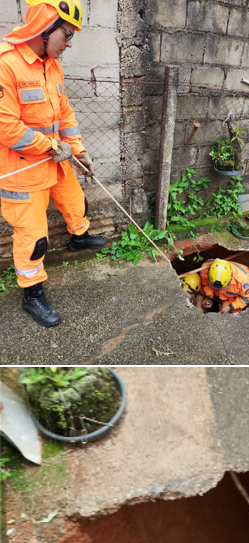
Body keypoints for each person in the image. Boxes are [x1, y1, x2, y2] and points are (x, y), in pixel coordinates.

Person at [0, 0, 105, 329]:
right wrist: (50, 146)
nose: (70, 43)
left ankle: (79, 237)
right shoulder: (6, 64)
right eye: (67, 34)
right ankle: (32, 293)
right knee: (34, 239)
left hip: (56, 159)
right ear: (44, 28)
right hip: (22, 170)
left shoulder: (51, 64)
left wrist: (78, 150)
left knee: (77, 203)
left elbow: (65, 116)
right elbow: (6, 126)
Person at [185, 259, 249, 313]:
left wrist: (230, 307)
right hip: (214, 295)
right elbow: (205, 284)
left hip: (230, 300)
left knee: (222, 316)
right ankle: (199, 319)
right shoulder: (206, 268)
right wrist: (209, 296)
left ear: (231, 277)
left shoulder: (244, 280)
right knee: (199, 302)